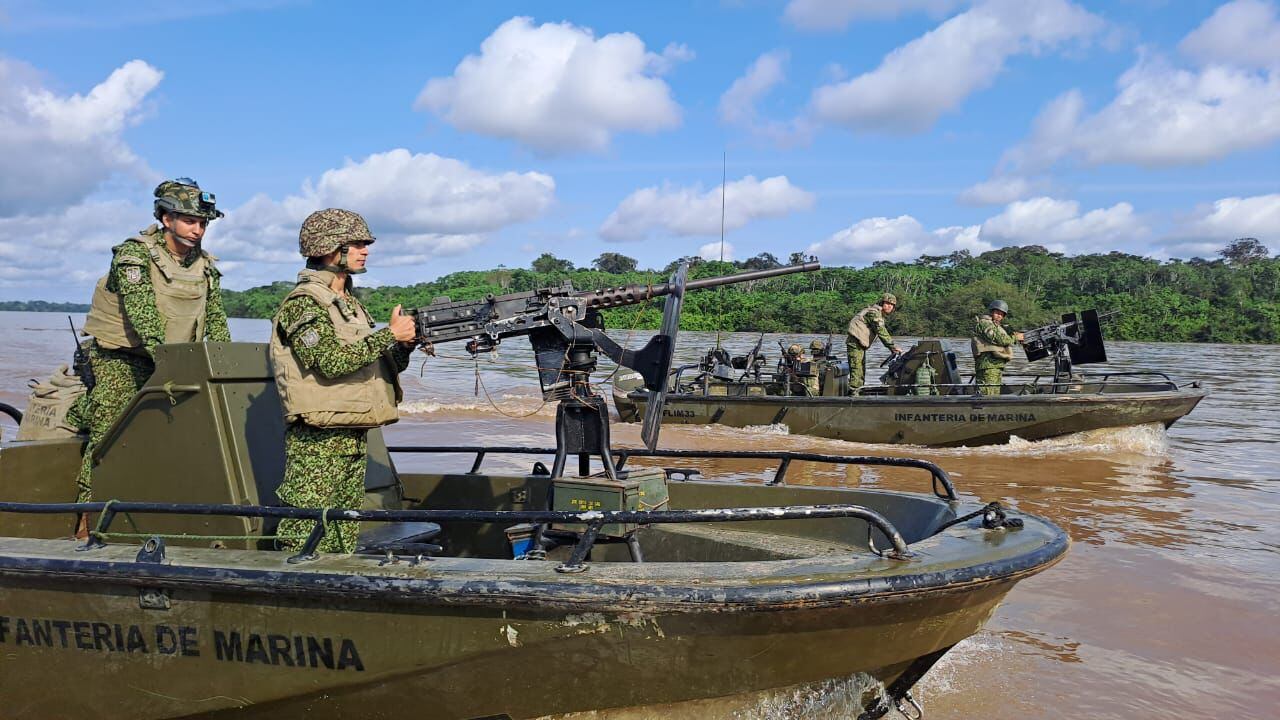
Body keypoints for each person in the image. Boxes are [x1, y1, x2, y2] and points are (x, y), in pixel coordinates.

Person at [270, 208, 417, 554]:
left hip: (352, 430)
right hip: (319, 437)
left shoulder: (349, 304)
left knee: (343, 527)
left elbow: (379, 364)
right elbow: (330, 362)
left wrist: (402, 345)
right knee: (304, 524)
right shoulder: (304, 304)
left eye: (365, 243)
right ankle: (289, 589)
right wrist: (388, 335)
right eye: (357, 243)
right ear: (329, 249)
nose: (366, 250)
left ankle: (334, 581)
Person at [77, 178, 230, 510]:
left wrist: (224, 367)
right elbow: (142, 312)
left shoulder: (205, 265)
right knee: (109, 432)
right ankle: (85, 520)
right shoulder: (134, 254)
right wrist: (167, 364)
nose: (198, 230)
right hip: (122, 358)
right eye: (190, 221)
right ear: (166, 218)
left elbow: (215, 320)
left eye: (203, 223)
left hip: (173, 361)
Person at [846, 293, 902, 393]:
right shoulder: (874, 313)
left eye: (892, 305)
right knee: (856, 372)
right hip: (855, 343)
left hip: (859, 345)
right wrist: (892, 347)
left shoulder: (878, 314)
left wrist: (891, 348)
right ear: (882, 303)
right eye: (888, 303)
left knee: (861, 372)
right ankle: (853, 397)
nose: (890, 306)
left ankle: (858, 393)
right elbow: (881, 330)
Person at [971, 300, 1024, 396]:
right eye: (997, 313)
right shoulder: (984, 323)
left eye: (1002, 314)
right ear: (991, 312)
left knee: (995, 395)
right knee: (986, 395)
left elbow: (1004, 338)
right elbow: (999, 339)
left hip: (996, 366)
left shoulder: (997, 326)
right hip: (987, 366)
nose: (999, 316)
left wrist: (1015, 336)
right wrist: (1015, 337)